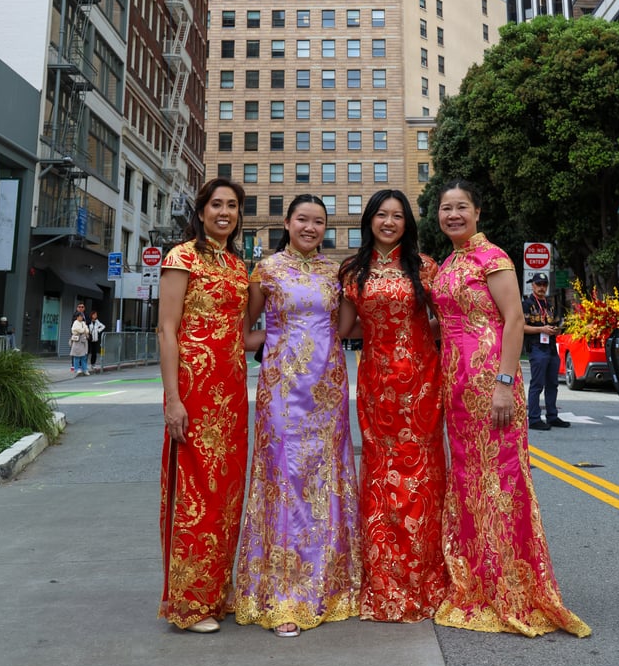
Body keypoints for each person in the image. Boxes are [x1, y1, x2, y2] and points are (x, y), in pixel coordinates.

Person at [431, 179, 590, 637]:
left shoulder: (492, 257)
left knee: (500, 480)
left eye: (462, 207)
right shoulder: (449, 263)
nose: (453, 215)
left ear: (478, 212)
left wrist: (504, 384)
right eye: (446, 208)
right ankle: (476, 579)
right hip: (456, 386)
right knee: (468, 481)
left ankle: (511, 585)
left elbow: (515, 320)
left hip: (489, 382)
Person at [235, 194, 360, 638]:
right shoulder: (266, 270)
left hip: (328, 389)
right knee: (284, 482)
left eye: (318, 221)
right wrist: (276, 342)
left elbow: (346, 328)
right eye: (302, 219)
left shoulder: (337, 272)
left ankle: (331, 585)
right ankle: (284, 594)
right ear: (286, 223)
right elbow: (246, 331)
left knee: (325, 481)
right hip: (282, 394)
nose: (310, 227)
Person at [339, 189, 446, 622]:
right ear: (369, 220)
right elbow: (343, 328)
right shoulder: (352, 270)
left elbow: (447, 317)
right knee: (382, 474)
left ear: (408, 223)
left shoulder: (424, 267)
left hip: (422, 382)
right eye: (381, 215)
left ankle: (424, 577)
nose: (388, 222)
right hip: (377, 384)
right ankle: (384, 577)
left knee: (422, 474)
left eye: (397, 216)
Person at [158, 178, 254, 634]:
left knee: (227, 494)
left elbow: (246, 333)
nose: (224, 212)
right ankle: (190, 603)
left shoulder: (239, 266)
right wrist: (172, 399)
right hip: (194, 392)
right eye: (216, 204)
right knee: (197, 492)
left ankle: (218, 589)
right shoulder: (182, 257)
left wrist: (300, 337)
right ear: (200, 211)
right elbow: (166, 330)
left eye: (232, 206)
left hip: (233, 394)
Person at [522, 273, 570, 431]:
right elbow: (521, 327)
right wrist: (541, 329)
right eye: (539, 284)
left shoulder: (550, 305)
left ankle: (552, 416)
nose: (542, 287)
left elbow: (556, 323)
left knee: (553, 384)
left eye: (544, 284)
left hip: (550, 347)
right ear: (533, 285)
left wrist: (556, 330)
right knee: (537, 384)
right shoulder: (527, 304)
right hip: (536, 347)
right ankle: (534, 418)